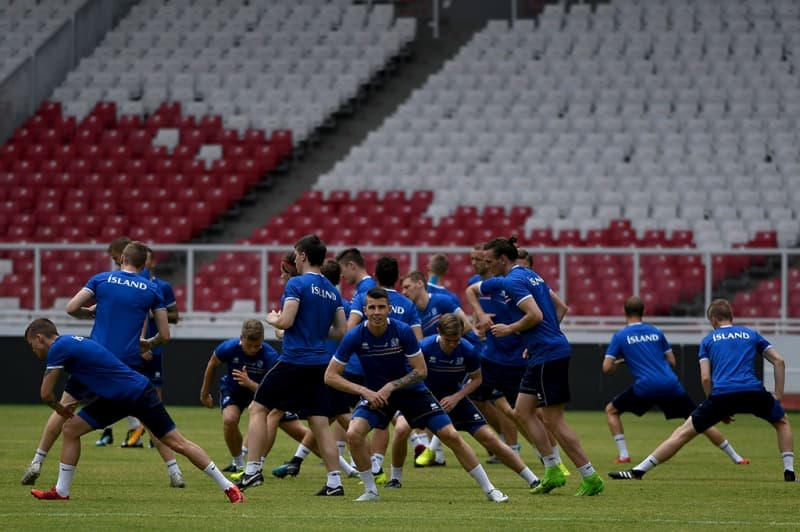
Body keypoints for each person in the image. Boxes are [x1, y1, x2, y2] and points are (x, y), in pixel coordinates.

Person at [24, 318, 244, 503]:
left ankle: (229, 487)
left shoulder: (58, 348)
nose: (33, 351)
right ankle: (61, 491)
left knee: (178, 443)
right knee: (71, 429)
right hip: (118, 398)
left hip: (137, 394)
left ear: (39, 338)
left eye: (32, 345)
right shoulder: (71, 342)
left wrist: (59, 407)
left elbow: (45, 393)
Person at [324, 288, 509, 503]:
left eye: (381, 307)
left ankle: (490, 489)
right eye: (372, 308)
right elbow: (330, 376)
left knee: (450, 435)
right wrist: (364, 391)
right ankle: (371, 491)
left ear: (389, 309)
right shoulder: (355, 335)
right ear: (365, 310)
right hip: (377, 395)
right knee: (354, 433)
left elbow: (421, 371)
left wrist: (391, 386)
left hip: (412, 392)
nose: (376, 312)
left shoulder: (402, 331)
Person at [609, 299, 796, 483]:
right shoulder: (751, 334)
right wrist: (778, 395)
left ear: (714, 319)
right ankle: (789, 470)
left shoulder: (708, 340)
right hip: (752, 391)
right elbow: (779, 361)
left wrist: (714, 403)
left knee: (683, 433)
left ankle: (639, 470)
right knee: (782, 422)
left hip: (722, 394)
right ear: (731, 316)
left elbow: (706, 378)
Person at [477, 237, 604, 496]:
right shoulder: (531, 275)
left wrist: (510, 329)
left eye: (489, 262)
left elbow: (535, 315)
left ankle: (590, 477)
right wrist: (536, 339)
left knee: (554, 420)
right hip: (542, 351)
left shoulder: (512, 281)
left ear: (503, 259)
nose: (487, 266)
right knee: (522, 411)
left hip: (549, 354)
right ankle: (552, 469)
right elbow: (561, 307)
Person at [66, 240, 187, 488]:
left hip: (98, 359)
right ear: (145, 264)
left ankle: (41, 461)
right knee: (152, 417)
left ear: (122, 259)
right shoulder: (152, 289)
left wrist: (89, 312)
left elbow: (71, 308)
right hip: (132, 360)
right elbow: (165, 334)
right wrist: (147, 344)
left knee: (68, 407)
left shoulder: (102, 280)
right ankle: (174, 470)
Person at [236, 234, 348, 496]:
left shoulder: (296, 283)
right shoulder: (332, 291)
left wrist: (273, 319)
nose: (295, 259)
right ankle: (335, 482)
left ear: (303, 255)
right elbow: (341, 331)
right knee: (319, 422)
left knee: (257, 408)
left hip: (294, 360)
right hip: (319, 364)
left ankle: (252, 470)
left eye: (296, 254)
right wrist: (313, 331)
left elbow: (286, 321)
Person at [391, 313, 540, 489]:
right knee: (401, 429)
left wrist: (456, 397)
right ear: (439, 332)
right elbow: (410, 374)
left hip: (455, 399)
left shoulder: (468, 350)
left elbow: (477, 380)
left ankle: (533, 479)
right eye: (448, 340)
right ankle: (395, 479)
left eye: (456, 340)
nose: (452, 344)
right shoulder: (425, 347)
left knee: (489, 438)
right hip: (423, 398)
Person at [603, 296, 748, 465]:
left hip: (646, 386)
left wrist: (623, 361)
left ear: (624, 312)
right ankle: (737, 457)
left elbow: (607, 368)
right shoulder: (656, 332)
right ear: (644, 312)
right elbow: (672, 361)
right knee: (701, 419)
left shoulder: (620, 336)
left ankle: (624, 455)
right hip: (670, 384)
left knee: (611, 411)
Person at [347, 256, 423, 481]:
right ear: (398, 277)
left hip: (366, 369)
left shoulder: (364, 297)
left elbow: (351, 330)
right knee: (383, 418)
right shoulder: (407, 304)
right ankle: (380, 462)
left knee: (356, 415)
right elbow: (419, 342)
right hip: (400, 373)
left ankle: (368, 464)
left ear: (375, 275)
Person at [200, 319, 280, 473]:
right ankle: (239, 463)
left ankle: (259, 463)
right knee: (229, 420)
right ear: (241, 338)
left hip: (258, 394)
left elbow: (271, 391)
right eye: (249, 345)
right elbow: (212, 363)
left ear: (262, 340)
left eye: (257, 345)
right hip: (233, 391)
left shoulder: (270, 356)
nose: (252, 349)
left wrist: (249, 383)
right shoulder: (229, 348)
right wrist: (204, 393)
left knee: (278, 420)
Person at [127, 245, 181, 449]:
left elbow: (175, 316)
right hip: (132, 347)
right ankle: (135, 432)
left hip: (154, 348)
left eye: (147, 259)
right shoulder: (132, 285)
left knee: (155, 393)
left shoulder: (162, 287)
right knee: (129, 391)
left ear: (152, 262)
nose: (144, 262)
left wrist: (156, 313)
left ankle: (156, 436)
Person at [95, 235, 131, 447]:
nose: (115, 262)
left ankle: (136, 429)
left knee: (128, 390)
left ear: (124, 255)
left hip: (127, 344)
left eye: (116, 257)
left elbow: (141, 314)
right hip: (119, 342)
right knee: (110, 388)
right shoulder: (118, 277)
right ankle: (109, 430)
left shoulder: (137, 278)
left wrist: (143, 340)